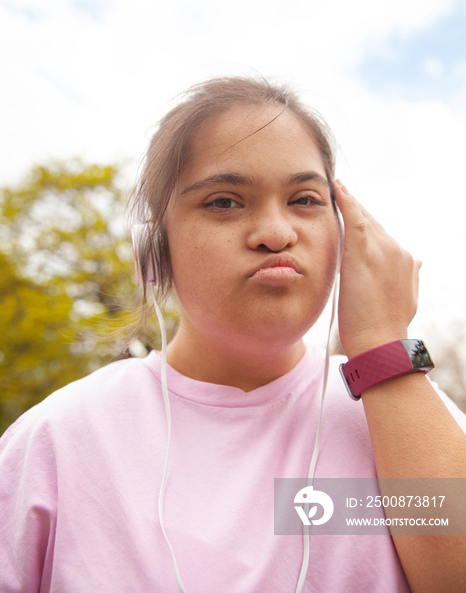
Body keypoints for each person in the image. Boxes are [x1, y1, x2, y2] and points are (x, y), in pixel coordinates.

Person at [1, 76, 465, 593]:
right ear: (154, 250)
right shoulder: (57, 440)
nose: (276, 232)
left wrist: (383, 343)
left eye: (305, 200)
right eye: (224, 202)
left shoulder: (405, 411)